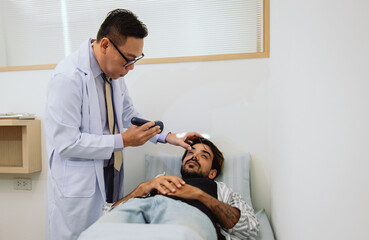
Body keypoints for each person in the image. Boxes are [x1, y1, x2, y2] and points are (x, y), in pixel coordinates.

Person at [45, 9, 202, 240]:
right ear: (106, 44)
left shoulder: (114, 75)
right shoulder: (68, 78)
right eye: (128, 59)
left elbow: (129, 113)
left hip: (110, 176)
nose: (131, 67)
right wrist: (123, 140)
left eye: (135, 60)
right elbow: (66, 143)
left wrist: (168, 136)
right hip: (78, 189)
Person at [79, 138, 259, 240]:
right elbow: (107, 214)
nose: (194, 157)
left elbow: (249, 230)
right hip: (144, 210)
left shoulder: (221, 190)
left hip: (189, 216)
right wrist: (141, 189)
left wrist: (200, 196)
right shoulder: (159, 181)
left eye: (203, 156)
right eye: (190, 152)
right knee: (99, 233)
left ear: (212, 173)